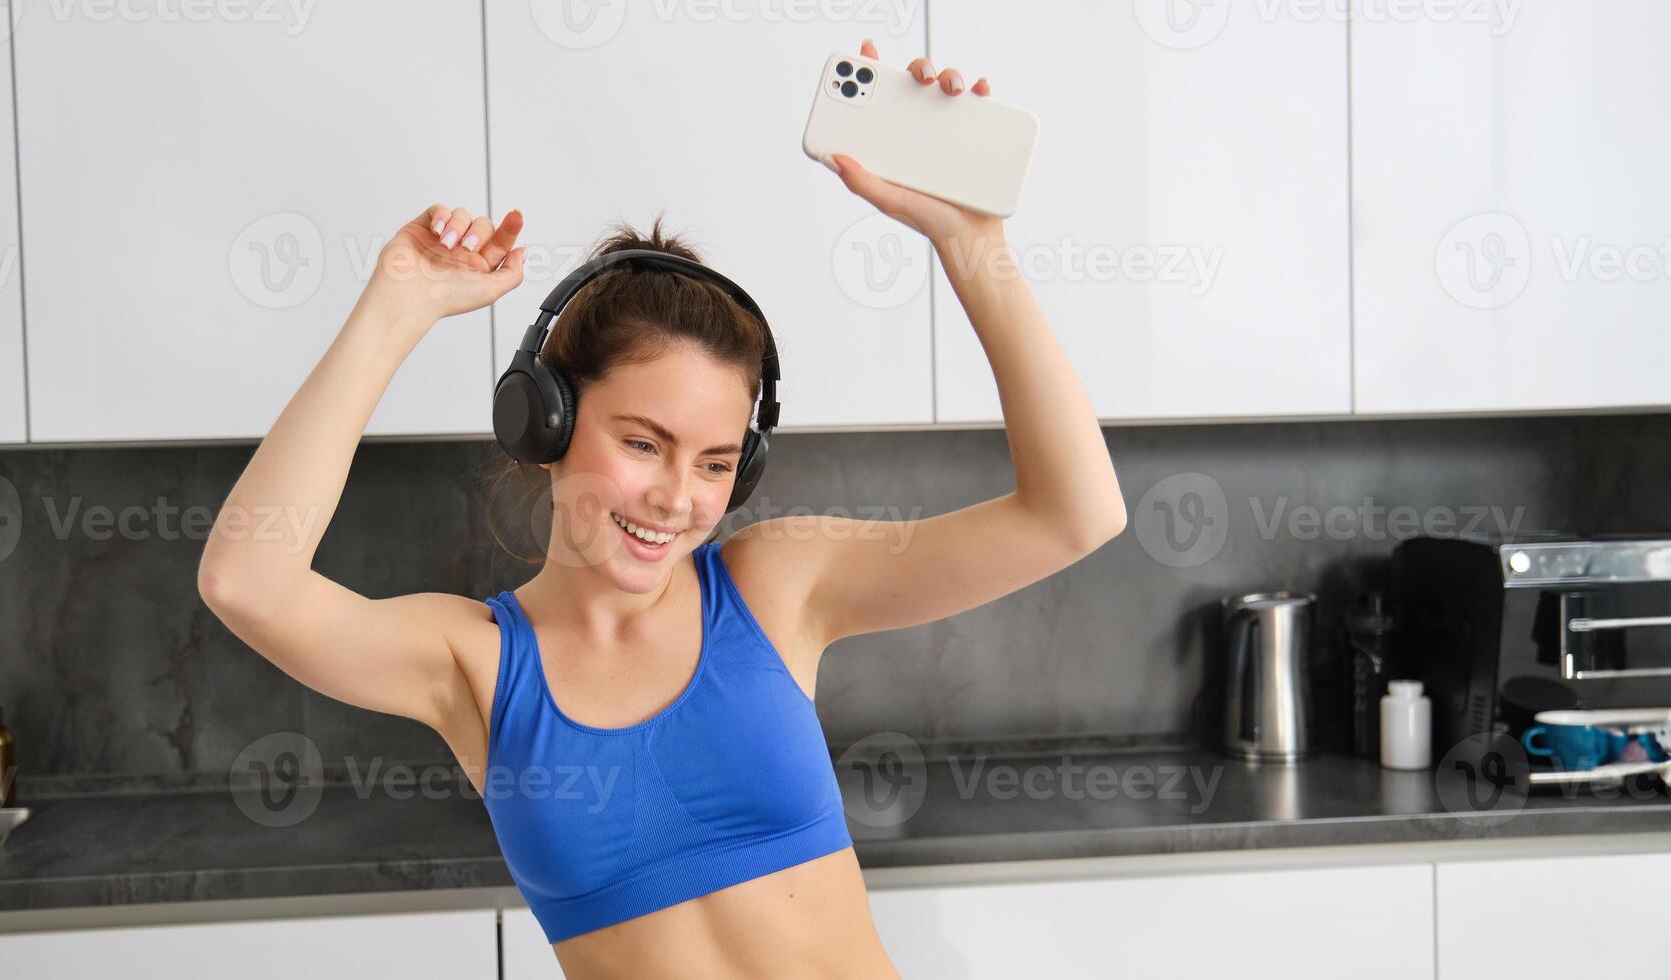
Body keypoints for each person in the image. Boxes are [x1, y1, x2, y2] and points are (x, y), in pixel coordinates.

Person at [198, 40, 1124, 979]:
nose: (678, 499)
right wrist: (395, 308)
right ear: (546, 419)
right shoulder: (476, 668)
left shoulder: (775, 587)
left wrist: (975, 246)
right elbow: (248, 580)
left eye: (717, 461)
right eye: (642, 443)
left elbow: (1073, 514)